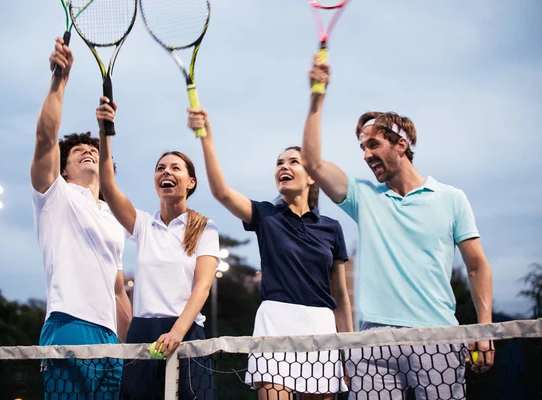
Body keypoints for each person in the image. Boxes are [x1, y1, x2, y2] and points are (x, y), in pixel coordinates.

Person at [301, 57, 495, 399]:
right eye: (361, 147)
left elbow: (477, 266)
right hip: (373, 341)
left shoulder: (451, 198)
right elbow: (313, 163)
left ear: (401, 145)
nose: (365, 154)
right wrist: (317, 97)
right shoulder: (363, 196)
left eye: (373, 144)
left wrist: (485, 328)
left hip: (438, 338)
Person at [187, 108, 353, 399]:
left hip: (322, 329)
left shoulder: (332, 228)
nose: (283, 167)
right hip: (275, 323)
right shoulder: (265, 216)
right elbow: (222, 192)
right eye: (279, 163)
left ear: (312, 175)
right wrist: (206, 138)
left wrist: (350, 351)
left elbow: (340, 296)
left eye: (293, 161)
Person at [96, 98, 220, 400]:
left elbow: (202, 288)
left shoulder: (205, 227)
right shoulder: (141, 224)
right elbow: (108, 186)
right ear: (155, 181)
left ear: (190, 182)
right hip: (143, 334)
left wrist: (177, 332)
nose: (167, 171)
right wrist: (105, 132)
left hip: (186, 333)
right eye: (160, 168)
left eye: (176, 168)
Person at [31, 38, 132, 398]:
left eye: (94, 149)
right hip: (69, 324)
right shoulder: (54, 195)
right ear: (64, 167)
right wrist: (60, 81)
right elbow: (45, 138)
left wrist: (127, 345)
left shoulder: (110, 215)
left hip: (109, 339)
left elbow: (118, 289)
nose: (88, 151)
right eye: (78, 151)